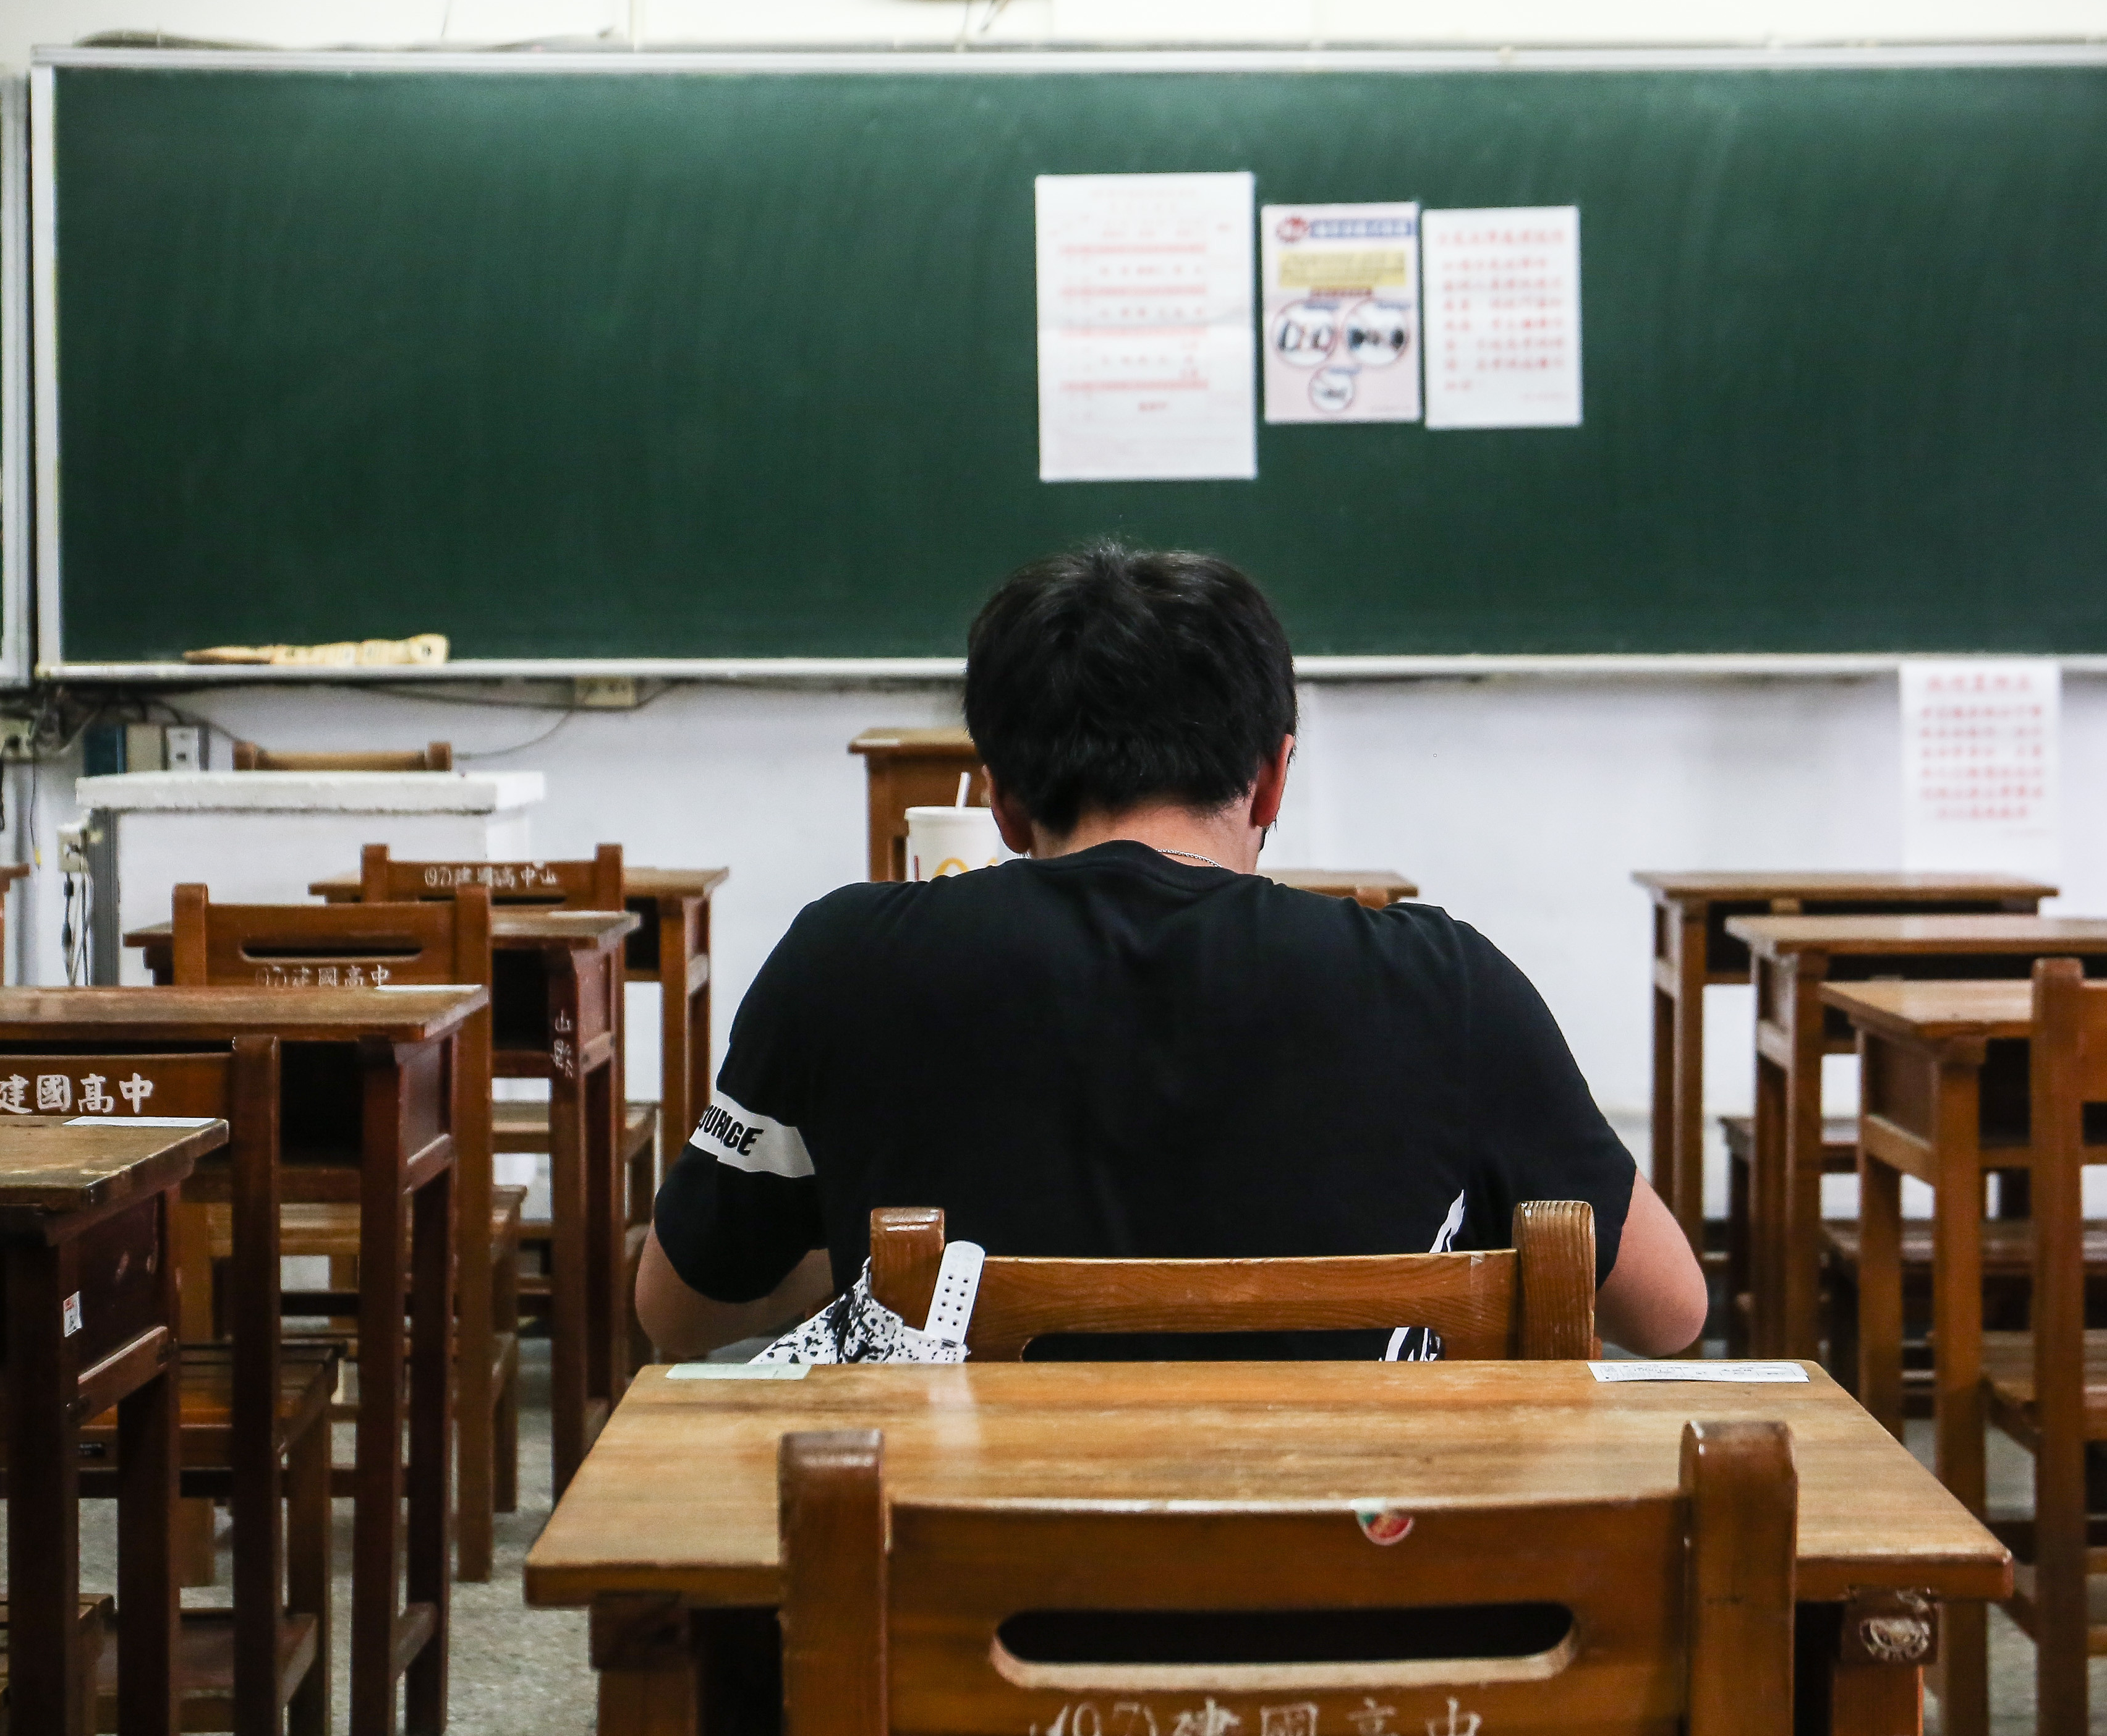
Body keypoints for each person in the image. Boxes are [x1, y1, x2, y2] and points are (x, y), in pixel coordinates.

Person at [636, 541, 1709, 1360]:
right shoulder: (1446, 983)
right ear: (1275, 777)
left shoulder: (843, 963)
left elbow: (677, 1308)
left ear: (1000, 799)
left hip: (948, 1629)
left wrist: (882, 1267)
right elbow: (1670, 1309)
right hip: (1365, 1620)